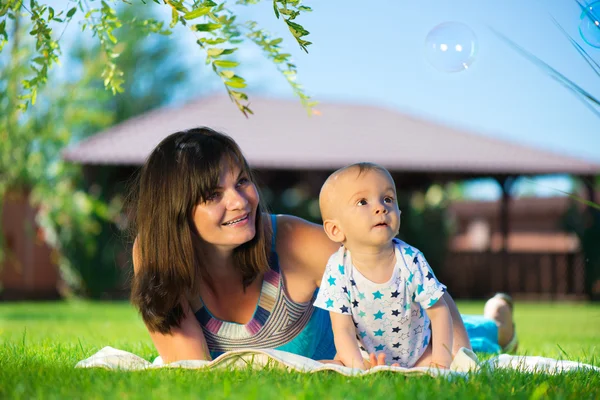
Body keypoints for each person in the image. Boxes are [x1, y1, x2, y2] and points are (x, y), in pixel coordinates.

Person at [129, 126, 517, 365]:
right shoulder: (157, 256)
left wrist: (454, 362)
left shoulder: (295, 242)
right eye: (214, 194)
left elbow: (412, 280)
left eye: (242, 181)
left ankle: (498, 326)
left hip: (378, 336)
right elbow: (192, 370)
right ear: (175, 212)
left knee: (475, 342)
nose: (240, 201)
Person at [314, 162, 453, 369]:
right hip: (365, 358)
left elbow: (440, 311)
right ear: (336, 230)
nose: (381, 207)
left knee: (436, 368)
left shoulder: (410, 259)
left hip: (419, 354)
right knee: (328, 367)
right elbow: (342, 328)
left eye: (388, 199)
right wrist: (357, 366)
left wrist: (440, 362)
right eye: (362, 202)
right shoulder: (338, 268)